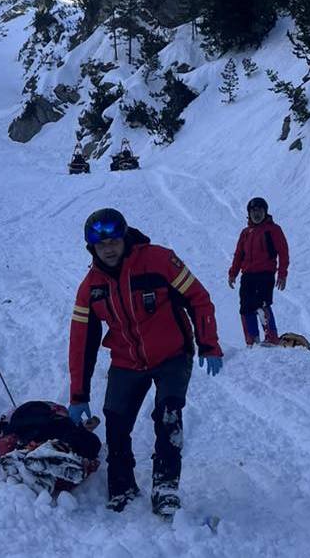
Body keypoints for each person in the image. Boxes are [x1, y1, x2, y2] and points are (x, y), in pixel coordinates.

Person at [67, 208, 223, 517]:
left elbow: (198, 297)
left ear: (124, 237)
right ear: (92, 249)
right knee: (116, 421)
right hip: (127, 360)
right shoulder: (91, 289)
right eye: (101, 245)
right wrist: (78, 394)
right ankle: (122, 486)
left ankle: (165, 487)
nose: (109, 249)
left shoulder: (160, 261)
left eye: (113, 241)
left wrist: (209, 344)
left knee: (168, 414)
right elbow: (81, 342)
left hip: (172, 354)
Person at [228, 197, 290, 347]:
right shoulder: (245, 233)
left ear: (265, 212)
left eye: (260, 210)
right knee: (245, 307)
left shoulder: (273, 230)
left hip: (265, 274)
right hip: (247, 275)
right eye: (253, 211)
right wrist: (233, 273)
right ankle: (252, 339)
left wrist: (282, 274)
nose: (257, 214)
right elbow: (239, 255)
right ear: (249, 213)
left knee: (262, 304)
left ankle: (271, 337)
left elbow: (283, 252)